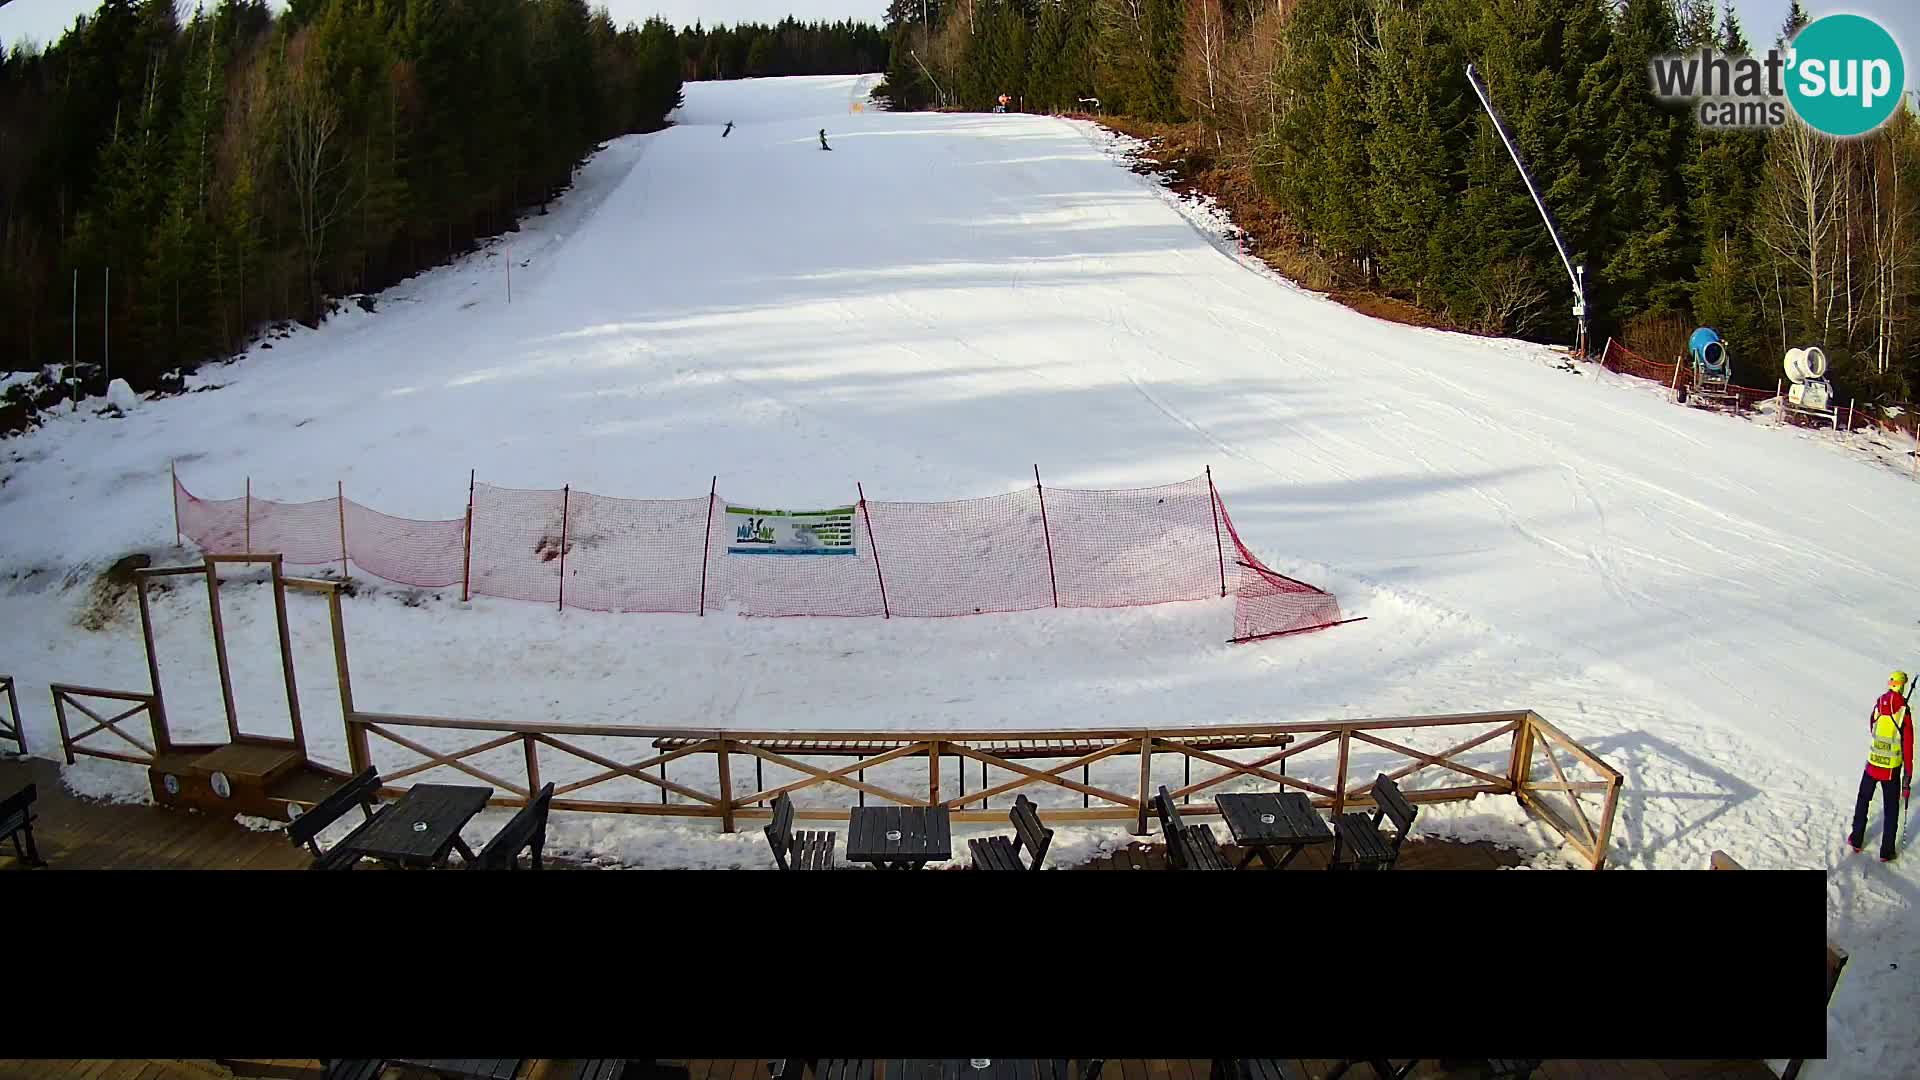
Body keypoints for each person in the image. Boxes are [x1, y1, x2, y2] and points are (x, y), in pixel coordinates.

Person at [1848, 670, 1912, 862]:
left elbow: (1872, 727)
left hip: (1872, 765)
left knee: (1863, 800)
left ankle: (1857, 839)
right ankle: (1886, 851)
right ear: (1902, 686)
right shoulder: (1903, 712)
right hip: (1890, 770)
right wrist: (1907, 776)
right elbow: (1908, 747)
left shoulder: (1878, 705)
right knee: (1891, 809)